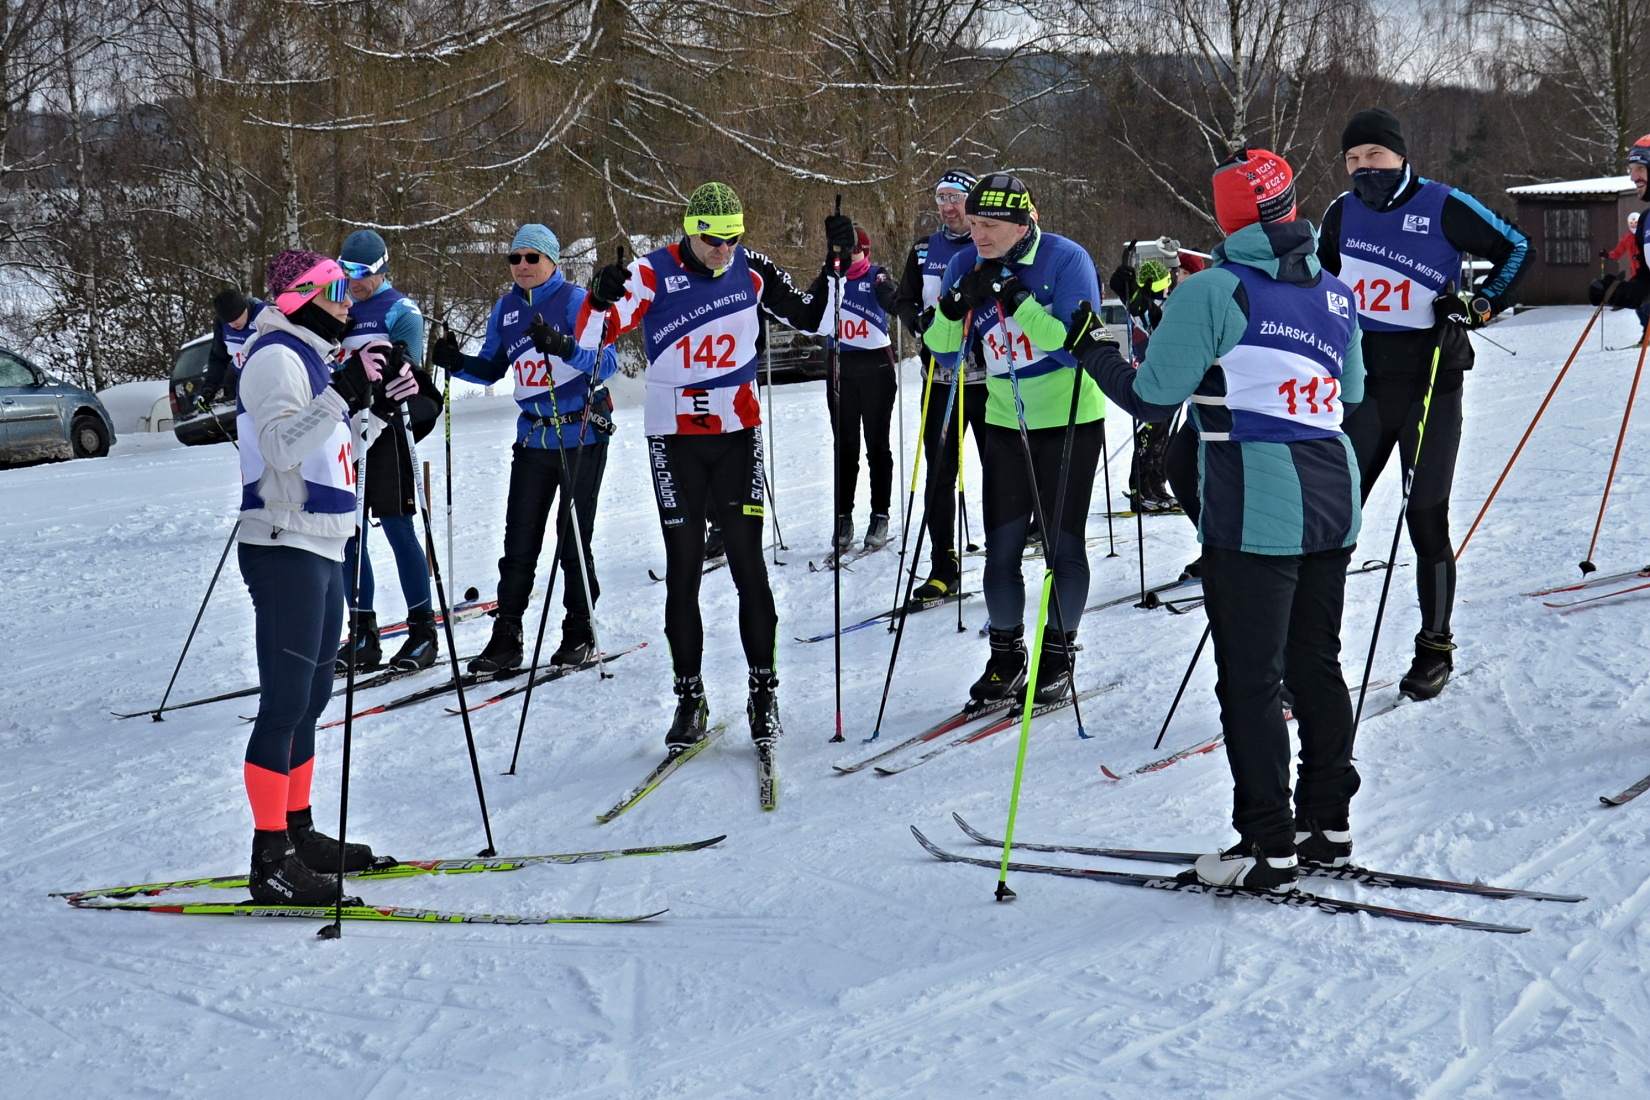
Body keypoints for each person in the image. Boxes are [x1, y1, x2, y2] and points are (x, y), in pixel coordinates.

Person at [1071, 147, 1366, 891]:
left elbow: (1151, 397)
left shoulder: (1214, 291)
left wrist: (1089, 352)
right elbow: (1352, 390)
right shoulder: (1335, 291)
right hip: (1333, 492)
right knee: (1317, 664)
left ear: (1227, 213)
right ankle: (1326, 824)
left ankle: (1267, 843)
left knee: (1250, 679)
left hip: (1255, 501)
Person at [579, 181, 844, 751]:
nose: (724, 250)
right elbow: (591, 338)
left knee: (750, 566)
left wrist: (836, 265)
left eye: (732, 238)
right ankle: (689, 696)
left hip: (735, 436)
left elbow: (817, 318)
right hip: (674, 440)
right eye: (712, 240)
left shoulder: (752, 268)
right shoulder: (651, 273)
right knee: (683, 570)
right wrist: (597, 297)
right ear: (689, 231)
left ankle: (763, 691)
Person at [1318, 107, 1529, 700]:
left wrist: (1480, 304)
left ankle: (1435, 647)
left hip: (1431, 381)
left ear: (1400, 155)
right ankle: (1313, 651)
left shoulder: (1442, 203)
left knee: (1425, 516)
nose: (1364, 168)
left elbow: (1517, 248)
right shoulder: (1341, 212)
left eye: (1375, 155)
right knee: (1335, 518)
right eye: (1353, 159)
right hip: (1362, 386)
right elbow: (1319, 282)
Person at [236, 248, 419, 903]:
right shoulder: (275, 358)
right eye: (334, 291)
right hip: (283, 543)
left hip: (322, 542)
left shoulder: (312, 357)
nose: (347, 303)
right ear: (300, 299)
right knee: (285, 703)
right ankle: (270, 858)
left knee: (312, 700)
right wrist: (343, 391)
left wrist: (377, 410)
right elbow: (281, 446)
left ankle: (298, 830)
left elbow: (336, 454)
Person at [923, 172, 1104, 706]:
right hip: (1005, 420)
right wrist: (952, 308)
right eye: (974, 223)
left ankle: (1058, 655)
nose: (977, 234)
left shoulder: (1067, 259)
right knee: (1000, 549)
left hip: (1069, 419)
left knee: (1061, 546)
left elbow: (1071, 347)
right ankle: (1006, 657)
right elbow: (944, 351)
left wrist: (1018, 299)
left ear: (1023, 224)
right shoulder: (965, 263)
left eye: (990, 226)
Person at [432, 224, 620, 673]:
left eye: (532, 257)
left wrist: (564, 346)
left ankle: (580, 628)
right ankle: (507, 634)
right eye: (514, 258)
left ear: (552, 260)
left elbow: (607, 362)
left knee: (572, 539)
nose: (522, 266)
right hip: (533, 437)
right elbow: (492, 367)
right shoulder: (506, 309)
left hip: (580, 434)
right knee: (519, 541)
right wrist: (457, 364)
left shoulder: (576, 301)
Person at [334, 230, 444, 672]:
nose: (354, 280)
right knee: (349, 534)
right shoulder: (339, 303)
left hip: (390, 432)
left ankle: (423, 632)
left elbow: (409, 373)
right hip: (346, 431)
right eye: (346, 270)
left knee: (399, 529)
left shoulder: (402, 310)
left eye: (362, 272)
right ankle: (362, 633)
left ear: (381, 269)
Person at [892, 169, 988, 602]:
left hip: (987, 380)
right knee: (939, 474)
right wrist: (920, 324)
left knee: (1001, 470)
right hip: (941, 378)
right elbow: (904, 300)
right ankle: (943, 566)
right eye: (941, 199)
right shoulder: (923, 249)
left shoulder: (988, 243)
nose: (948, 207)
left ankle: (1005, 563)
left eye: (956, 198)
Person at [821, 224, 900, 552]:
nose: (847, 255)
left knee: (877, 445)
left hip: (876, 367)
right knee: (845, 446)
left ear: (864, 251)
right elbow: (809, 307)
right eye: (842, 249)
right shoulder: (830, 279)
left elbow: (890, 295)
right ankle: (843, 516)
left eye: (854, 249)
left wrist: (901, 304)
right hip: (840, 367)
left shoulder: (875, 275)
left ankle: (880, 515)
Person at [1107, 251, 1182, 512]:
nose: (1168, 288)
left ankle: (1157, 485)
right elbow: (1143, 312)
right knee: (1148, 437)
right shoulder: (1142, 305)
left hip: (1168, 381)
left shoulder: (1163, 304)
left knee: (1163, 438)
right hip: (1148, 380)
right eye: (1165, 283)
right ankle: (1140, 489)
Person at [197, 288, 266, 410]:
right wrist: (209, 389)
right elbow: (219, 358)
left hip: (272, 379)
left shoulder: (265, 313)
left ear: (245, 308)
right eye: (229, 321)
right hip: (246, 387)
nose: (234, 324)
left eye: (236, 317)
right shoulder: (221, 324)